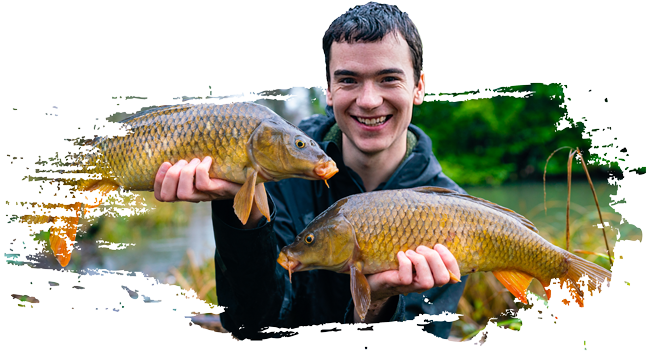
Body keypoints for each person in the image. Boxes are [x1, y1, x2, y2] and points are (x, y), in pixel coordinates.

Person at [153, 2, 468, 340]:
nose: (369, 100)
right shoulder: (281, 169)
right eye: (349, 80)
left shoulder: (452, 211)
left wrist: (379, 304)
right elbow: (250, 325)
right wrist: (239, 212)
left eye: (388, 79)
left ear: (419, 86)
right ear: (329, 91)